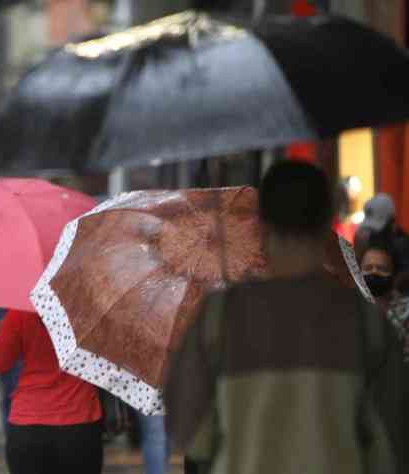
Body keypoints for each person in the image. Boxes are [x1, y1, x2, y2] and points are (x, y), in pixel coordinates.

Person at [165, 162, 408, 474]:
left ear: (261, 223)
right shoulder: (367, 323)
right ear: (325, 222)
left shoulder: (218, 319)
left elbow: (191, 435)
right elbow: (391, 448)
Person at [0, 309, 103, 474]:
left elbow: (0, 363)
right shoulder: (87, 311)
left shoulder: (18, 313)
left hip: (28, 421)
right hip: (79, 418)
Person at [354, 193, 409, 267]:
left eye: (376, 232)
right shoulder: (364, 240)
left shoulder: (402, 247)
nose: (372, 235)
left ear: (392, 221)